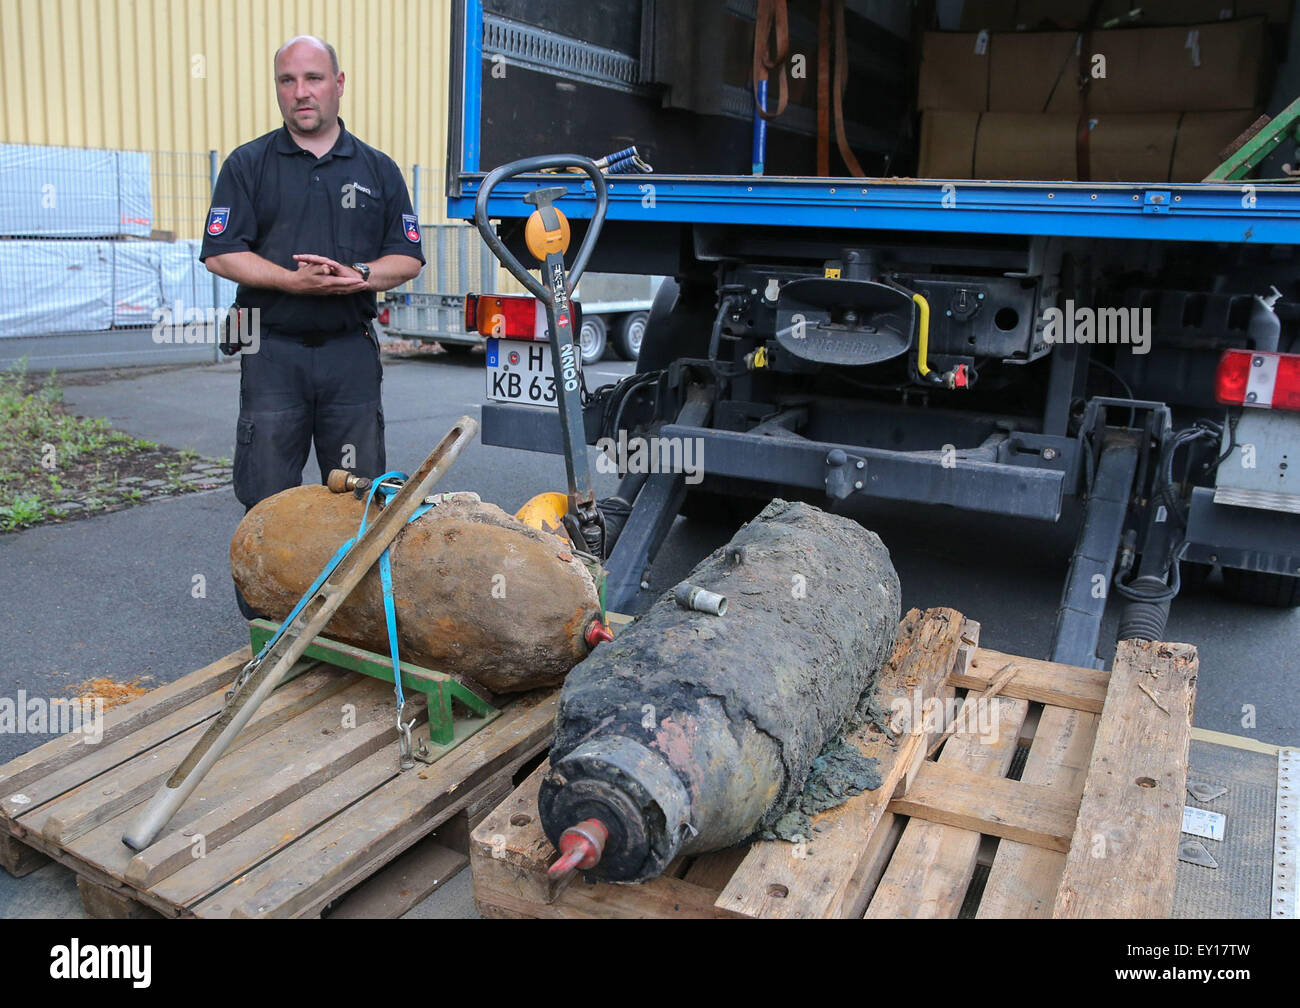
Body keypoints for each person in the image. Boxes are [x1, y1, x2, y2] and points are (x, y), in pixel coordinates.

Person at [201, 35, 424, 617]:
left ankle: (349, 621)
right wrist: (289, 280)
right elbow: (221, 253)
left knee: (360, 496)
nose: (301, 92)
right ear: (278, 88)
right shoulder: (248, 165)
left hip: (349, 356)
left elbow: (409, 256)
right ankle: (267, 633)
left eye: (314, 78)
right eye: (288, 80)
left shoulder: (378, 169)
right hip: (272, 351)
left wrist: (362, 275)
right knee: (266, 501)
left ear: (339, 83)